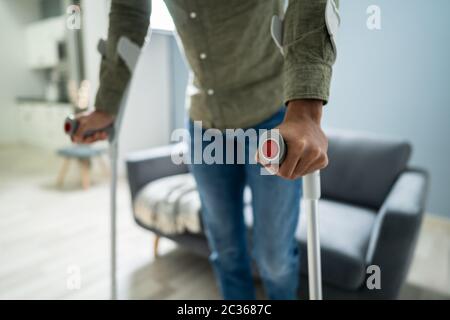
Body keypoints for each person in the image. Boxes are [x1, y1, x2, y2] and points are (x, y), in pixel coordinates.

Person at [73, 0, 338, 299]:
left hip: (272, 119)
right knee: (225, 249)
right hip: (204, 122)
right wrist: (106, 104)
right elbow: (129, 12)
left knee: (274, 258)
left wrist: (305, 106)